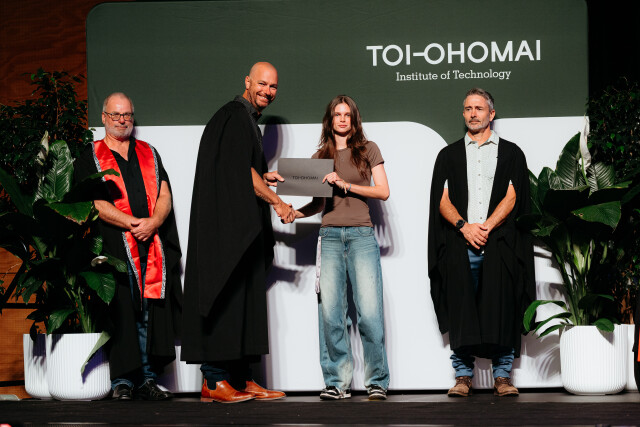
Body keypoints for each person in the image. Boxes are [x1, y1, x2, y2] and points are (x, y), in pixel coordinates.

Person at [182, 62, 292, 403]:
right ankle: (214, 380)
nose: (268, 91)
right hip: (226, 233)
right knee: (225, 301)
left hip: (241, 231)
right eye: (262, 84)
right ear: (247, 82)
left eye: (273, 86)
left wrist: (263, 174)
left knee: (245, 306)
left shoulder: (245, 120)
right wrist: (277, 202)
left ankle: (242, 378)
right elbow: (240, 172)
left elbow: (241, 167)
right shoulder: (233, 116)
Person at [74, 92, 182, 401]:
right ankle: (122, 380)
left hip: (150, 244)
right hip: (114, 248)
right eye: (116, 115)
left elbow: (165, 193)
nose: (122, 120)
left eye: (127, 115)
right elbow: (95, 202)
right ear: (104, 117)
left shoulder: (148, 151)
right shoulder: (90, 155)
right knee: (121, 312)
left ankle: (147, 378)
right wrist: (133, 223)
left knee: (148, 312)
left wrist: (154, 222)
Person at [428, 88, 535, 397]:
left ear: (491, 113)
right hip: (460, 245)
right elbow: (441, 199)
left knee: (502, 308)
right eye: (467, 108)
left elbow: (513, 196)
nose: (472, 113)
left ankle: (503, 377)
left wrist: (485, 226)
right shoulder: (448, 155)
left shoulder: (511, 153)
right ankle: (463, 376)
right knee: (462, 309)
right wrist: (465, 228)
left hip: (499, 243)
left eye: (478, 108)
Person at [295, 95, 391, 400]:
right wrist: (294, 213)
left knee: (370, 314)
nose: (342, 119)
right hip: (330, 238)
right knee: (331, 314)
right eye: (337, 114)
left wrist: (346, 184)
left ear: (354, 119)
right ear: (330, 120)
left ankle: (377, 381)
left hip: (362, 236)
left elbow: (383, 191)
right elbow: (317, 204)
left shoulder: (368, 149)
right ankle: (337, 382)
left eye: (347, 114)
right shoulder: (319, 157)